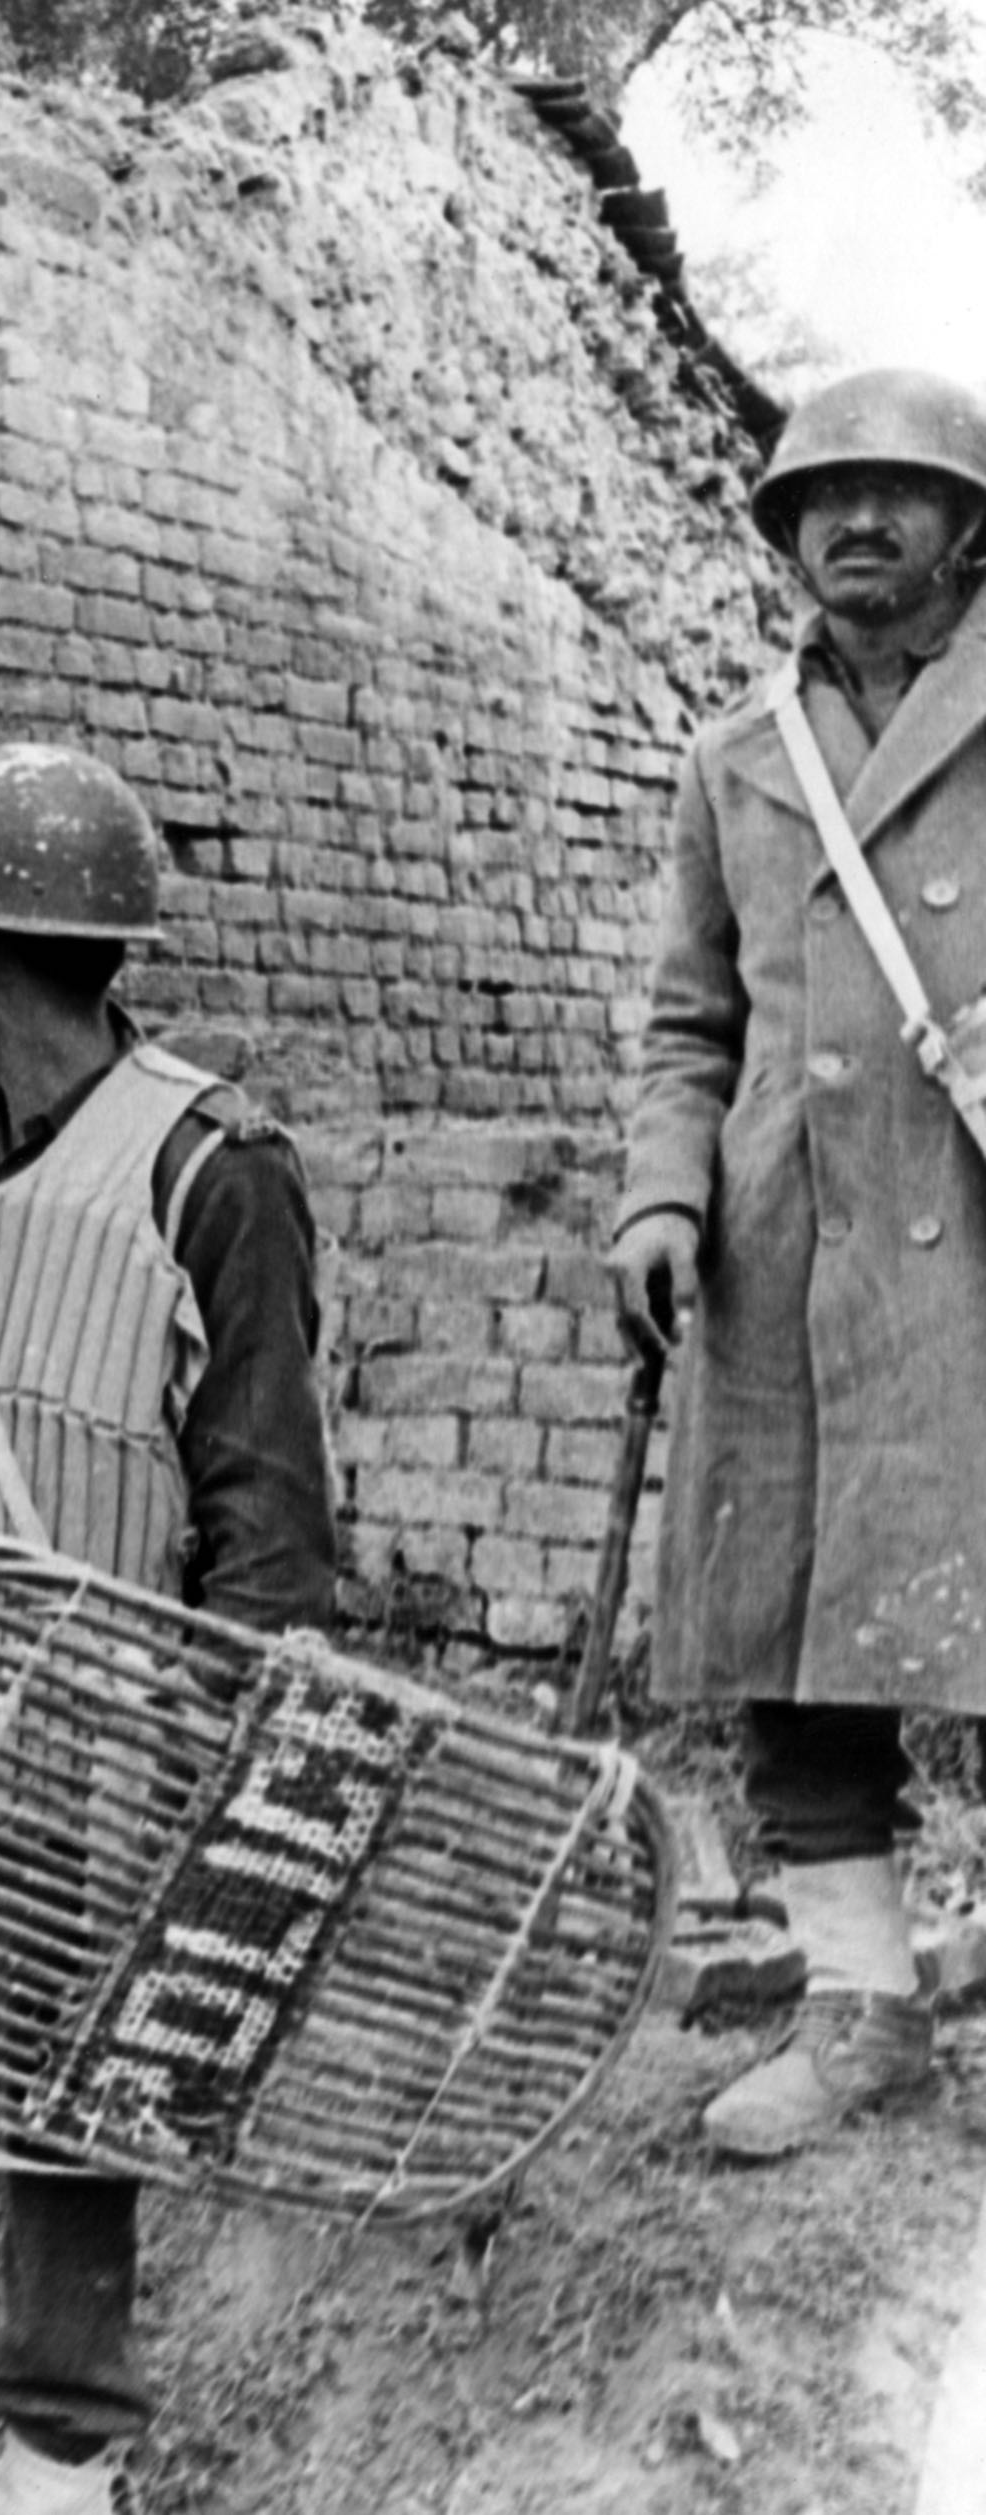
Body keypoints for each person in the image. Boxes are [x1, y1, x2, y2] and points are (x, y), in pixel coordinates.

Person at [0, 743, 339, 2515]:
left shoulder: (214, 1169)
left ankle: (57, 2473)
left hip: (77, 1757)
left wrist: (227, 1780)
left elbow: (269, 1519)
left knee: (67, 2130)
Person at [610, 365, 986, 2161]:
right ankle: (861, 2011)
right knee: (795, 1654)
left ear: (967, 527)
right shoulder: (734, 754)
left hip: (969, 1246)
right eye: (821, 496)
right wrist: (660, 1200)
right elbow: (690, 1022)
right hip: (790, 1257)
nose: (855, 520)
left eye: (897, 491)